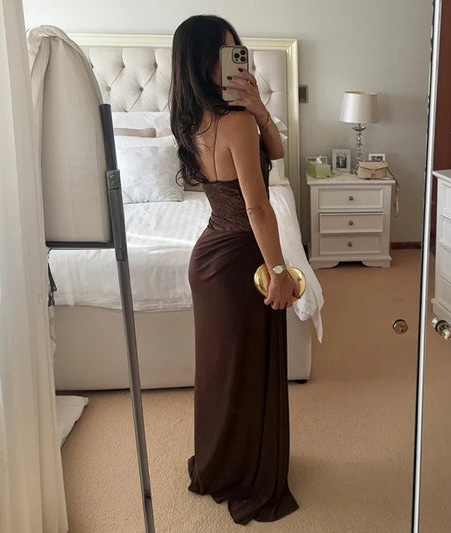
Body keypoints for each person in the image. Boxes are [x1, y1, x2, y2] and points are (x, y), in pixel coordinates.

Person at [170, 14, 300, 525]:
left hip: (209, 259)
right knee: (246, 369)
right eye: (223, 53)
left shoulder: (195, 119)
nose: (233, 62)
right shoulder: (234, 123)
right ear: (201, 61)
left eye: (236, 50)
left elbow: (278, 151)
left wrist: (260, 107)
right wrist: (280, 270)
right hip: (243, 260)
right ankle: (245, 470)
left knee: (223, 371)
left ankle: (223, 462)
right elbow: (258, 207)